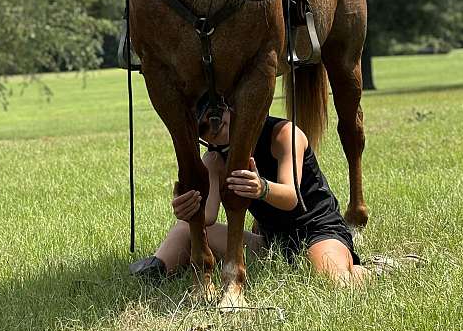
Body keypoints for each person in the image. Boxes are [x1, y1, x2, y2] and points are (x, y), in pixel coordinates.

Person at [129, 98, 369, 288]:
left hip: (317, 230)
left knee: (334, 284)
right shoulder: (214, 159)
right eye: (201, 126)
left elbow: (291, 197)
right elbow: (209, 217)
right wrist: (188, 209)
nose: (212, 127)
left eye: (215, 114)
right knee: (184, 229)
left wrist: (261, 188)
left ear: (231, 105)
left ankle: (365, 271)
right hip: (271, 241)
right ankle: (155, 271)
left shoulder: (284, 134)